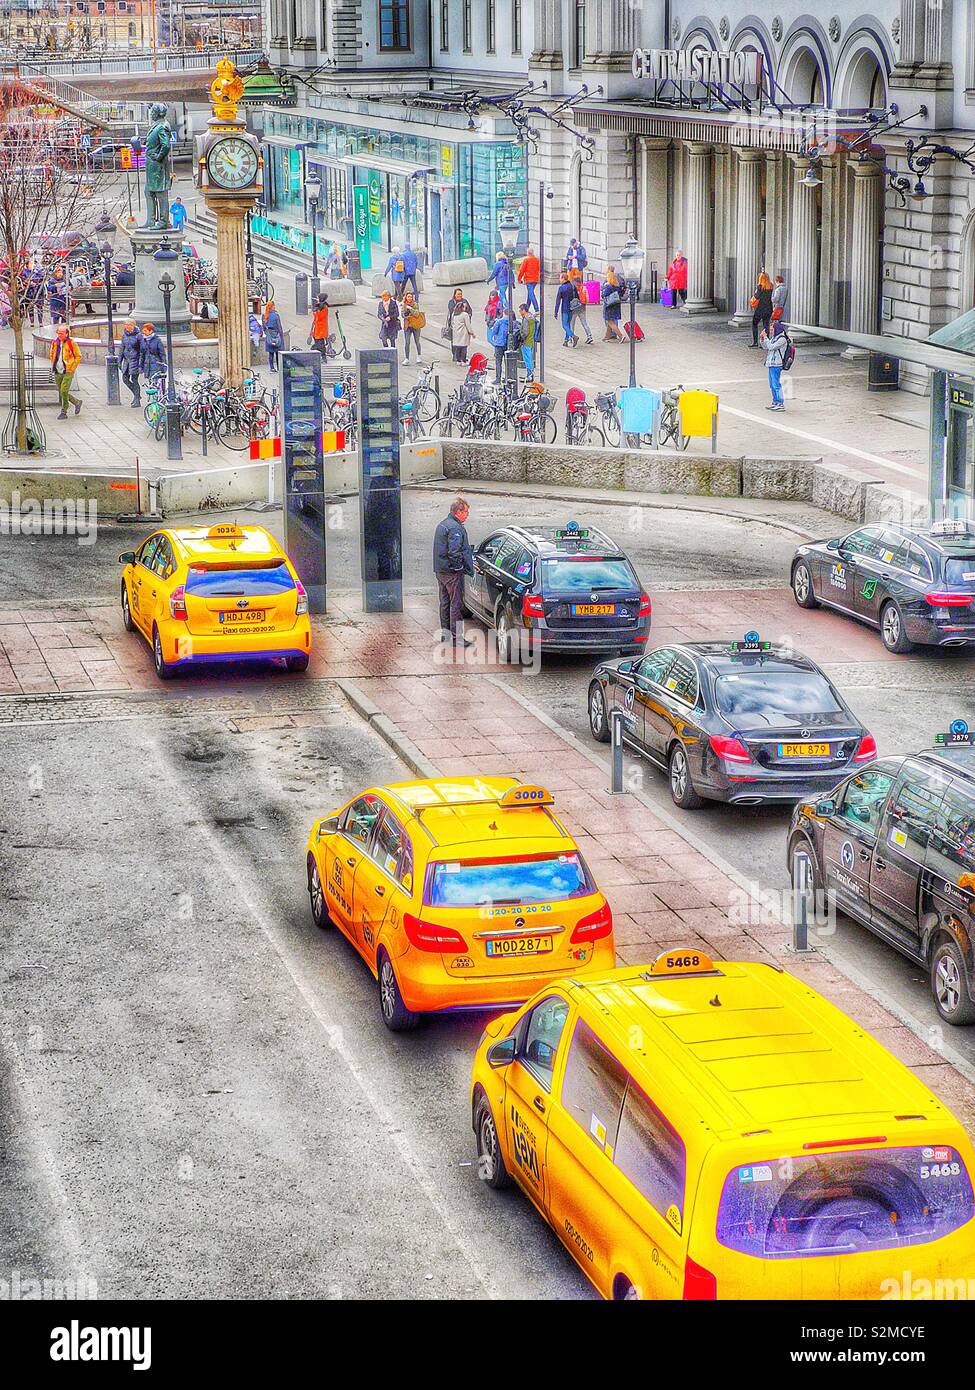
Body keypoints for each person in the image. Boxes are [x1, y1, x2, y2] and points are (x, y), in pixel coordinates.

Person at [433, 497, 474, 648]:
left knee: (444, 603)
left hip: (440, 570)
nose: (467, 515)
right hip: (451, 573)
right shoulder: (455, 528)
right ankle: (457, 638)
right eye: (466, 512)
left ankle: (446, 635)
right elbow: (455, 552)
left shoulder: (443, 524)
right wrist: (459, 568)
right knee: (455, 604)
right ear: (458, 512)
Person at [50, 323, 82, 419]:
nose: (60, 335)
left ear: (67, 334)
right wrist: (53, 363)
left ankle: (64, 411)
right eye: (58, 333)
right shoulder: (54, 343)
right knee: (61, 391)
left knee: (63, 390)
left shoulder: (71, 343)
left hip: (68, 370)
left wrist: (72, 367)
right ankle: (77, 402)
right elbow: (52, 354)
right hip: (57, 370)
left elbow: (78, 356)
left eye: (62, 333)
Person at [760, 320, 788, 411]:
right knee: (772, 385)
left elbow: (772, 347)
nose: (771, 332)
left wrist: (766, 338)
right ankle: (775, 401)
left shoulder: (782, 339)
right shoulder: (774, 338)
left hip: (777, 364)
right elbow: (766, 347)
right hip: (771, 363)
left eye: (772, 330)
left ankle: (780, 403)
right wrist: (763, 339)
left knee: (776, 384)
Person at [488, 311, 517, 383]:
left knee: (498, 362)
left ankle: (498, 379)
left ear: (504, 313)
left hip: (499, 344)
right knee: (508, 362)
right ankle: (508, 378)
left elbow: (494, 331)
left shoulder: (499, 322)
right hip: (508, 344)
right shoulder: (514, 323)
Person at [119, 319, 142, 407]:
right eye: (125, 325)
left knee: (134, 380)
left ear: (133, 326)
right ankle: (137, 395)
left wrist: (140, 364)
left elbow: (141, 351)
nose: (127, 326)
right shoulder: (124, 335)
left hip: (135, 361)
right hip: (127, 361)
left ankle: (137, 400)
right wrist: (119, 361)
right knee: (125, 379)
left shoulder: (138, 336)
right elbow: (122, 348)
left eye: (129, 325)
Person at [447, 293, 473, 363]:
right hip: (463, 333)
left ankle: (457, 359)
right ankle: (463, 360)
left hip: (456, 332)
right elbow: (468, 325)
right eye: (464, 307)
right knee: (464, 347)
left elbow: (452, 322)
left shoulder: (454, 314)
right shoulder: (465, 314)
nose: (465, 308)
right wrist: (472, 333)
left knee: (457, 346)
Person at [601, 266, 624, 341]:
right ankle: (607, 336)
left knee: (609, 321)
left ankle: (620, 336)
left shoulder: (608, 286)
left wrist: (603, 289)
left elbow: (603, 295)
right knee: (610, 320)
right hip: (616, 304)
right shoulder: (617, 285)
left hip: (609, 305)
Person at [750, 271, 773, 347]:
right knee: (766, 325)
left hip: (760, 309)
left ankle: (755, 342)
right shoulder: (771, 286)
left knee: (754, 324)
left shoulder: (760, 287)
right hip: (769, 308)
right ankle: (766, 343)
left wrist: (755, 293)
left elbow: (756, 296)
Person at [401, 290, 424, 362]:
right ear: (406, 297)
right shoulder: (403, 305)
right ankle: (407, 358)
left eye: (411, 297)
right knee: (407, 342)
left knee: (417, 341)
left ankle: (419, 356)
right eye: (408, 297)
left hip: (416, 325)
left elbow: (417, 314)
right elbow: (403, 315)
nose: (410, 298)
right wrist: (406, 311)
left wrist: (410, 309)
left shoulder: (415, 304)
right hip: (407, 326)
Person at [554, 271, 575, 346]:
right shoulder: (572, 286)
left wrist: (555, 312)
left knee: (564, 325)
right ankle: (566, 340)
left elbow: (558, 301)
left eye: (560, 278)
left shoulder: (562, 288)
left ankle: (573, 336)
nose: (559, 279)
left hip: (565, 308)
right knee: (568, 324)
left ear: (563, 278)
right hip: (572, 308)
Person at [570, 279, 594, 346]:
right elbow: (587, 299)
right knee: (584, 323)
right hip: (582, 308)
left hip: (574, 309)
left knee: (572, 323)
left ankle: (571, 337)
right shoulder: (584, 288)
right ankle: (589, 336)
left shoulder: (573, 289)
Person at [516, 246, 540, 311]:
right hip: (535, 279)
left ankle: (536, 308)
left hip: (528, 279)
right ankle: (527, 308)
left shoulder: (526, 260)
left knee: (531, 294)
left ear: (528, 253)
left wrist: (519, 279)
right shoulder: (537, 260)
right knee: (530, 293)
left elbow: (521, 270)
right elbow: (539, 269)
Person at [518, 304, 537, 379]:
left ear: (523, 310)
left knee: (527, 358)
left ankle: (529, 375)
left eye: (520, 310)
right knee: (530, 358)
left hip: (526, 341)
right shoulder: (531, 317)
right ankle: (530, 374)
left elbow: (525, 331)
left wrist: (521, 338)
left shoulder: (526, 319)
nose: (520, 312)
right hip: (531, 340)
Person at [264, 299, 284, 372]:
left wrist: (267, 334)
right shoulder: (276, 316)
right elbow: (279, 327)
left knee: (270, 353)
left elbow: (263, 327)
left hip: (269, 336)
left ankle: (272, 368)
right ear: (272, 306)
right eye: (274, 305)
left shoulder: (264, 316)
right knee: (277, 353)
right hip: (276, 335)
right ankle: (279, 368)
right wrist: (281, 336)